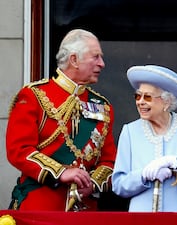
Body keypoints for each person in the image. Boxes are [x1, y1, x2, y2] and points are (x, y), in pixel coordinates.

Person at [6, 29, 117, 211]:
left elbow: (109, 161)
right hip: (41, 207)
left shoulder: (103, 106)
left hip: (85, 210)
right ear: (74, 60)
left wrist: (93, 184)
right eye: (95, 57)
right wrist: (61, 172)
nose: (102, 64)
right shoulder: (34, 96)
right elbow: (19, 150)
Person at [112, 65, 177, 212]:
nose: (140, 102)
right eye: (138, 96)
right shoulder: (130, 131)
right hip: (141, 221)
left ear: (167, 102)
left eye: (148, 97)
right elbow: (118, 185)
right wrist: (143, 175)